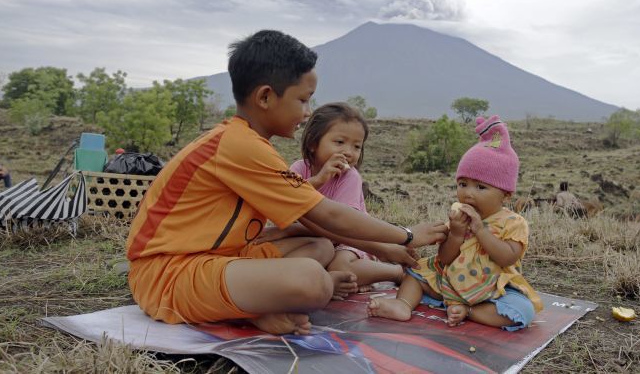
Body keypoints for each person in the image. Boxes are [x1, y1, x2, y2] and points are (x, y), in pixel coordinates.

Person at [125, 30, 447, 336]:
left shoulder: (247, 143)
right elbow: (328, 215)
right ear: (266, 96)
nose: (307, 113)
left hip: (219, 259)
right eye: (303, 100)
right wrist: (406, 236)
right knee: (314, 282)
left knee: (318, 247)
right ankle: (253, 308)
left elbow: (312, 223)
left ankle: (256, 304)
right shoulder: (239, 146)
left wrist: (382, 248)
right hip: (167, 275)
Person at [368, 116, 543, 330]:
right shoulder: (459, 219)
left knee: (522, 311)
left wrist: (480, 230)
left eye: (480, 187)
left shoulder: (514, 223)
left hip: (492, 289)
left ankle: (469, 311)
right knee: (416, 275)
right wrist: (457, 233)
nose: (468, 194)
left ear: (505, 195)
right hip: (449, 280)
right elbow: (445, 258)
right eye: (463, 184)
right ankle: (402, 304)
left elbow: (507, 257)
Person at [254, 103, 405, 293]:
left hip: (348, 241)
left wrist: (287, 231)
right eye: (340, 142)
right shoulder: (299, 169)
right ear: (313, 143)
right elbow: (285, 203)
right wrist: (318, 179)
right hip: (315, 239)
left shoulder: (350, 177)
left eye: (357, 146)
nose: (349, 152)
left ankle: (396, 272)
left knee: (340, 268)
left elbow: (341, 226)